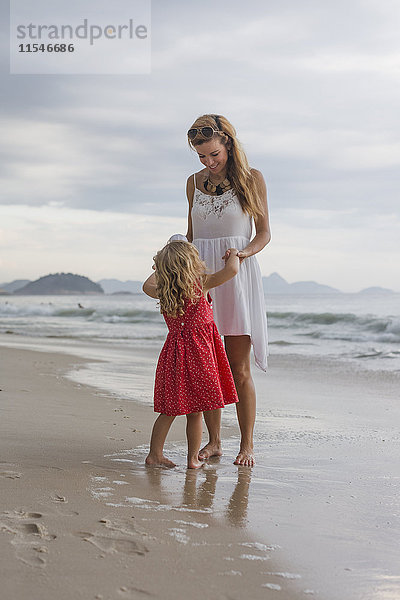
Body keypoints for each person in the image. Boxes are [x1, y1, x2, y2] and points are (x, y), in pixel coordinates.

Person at [186, 114, 271, 467]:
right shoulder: (193, 183)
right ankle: (215, 442)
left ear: (228, 145)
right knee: (207, 366)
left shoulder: (252, 179)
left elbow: (264, 233)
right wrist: (177, 265)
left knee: (237, 366)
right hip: (202, 279)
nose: (208, 162)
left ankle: (247, 445)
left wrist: (242, 253)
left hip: (236, 274)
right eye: (202, 156)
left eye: (214, 155)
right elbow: (191, 235)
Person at [143, 239, 240, 469]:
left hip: (174, 356)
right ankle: (192, 459)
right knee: (195, 412)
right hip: (200, 355)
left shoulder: (163, 291)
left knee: (169, 410)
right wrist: (235, 252)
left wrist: (159, 268)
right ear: (192, 263)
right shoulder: (200, 285)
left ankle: (154, 454)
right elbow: (232, 270)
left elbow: (145, 286)